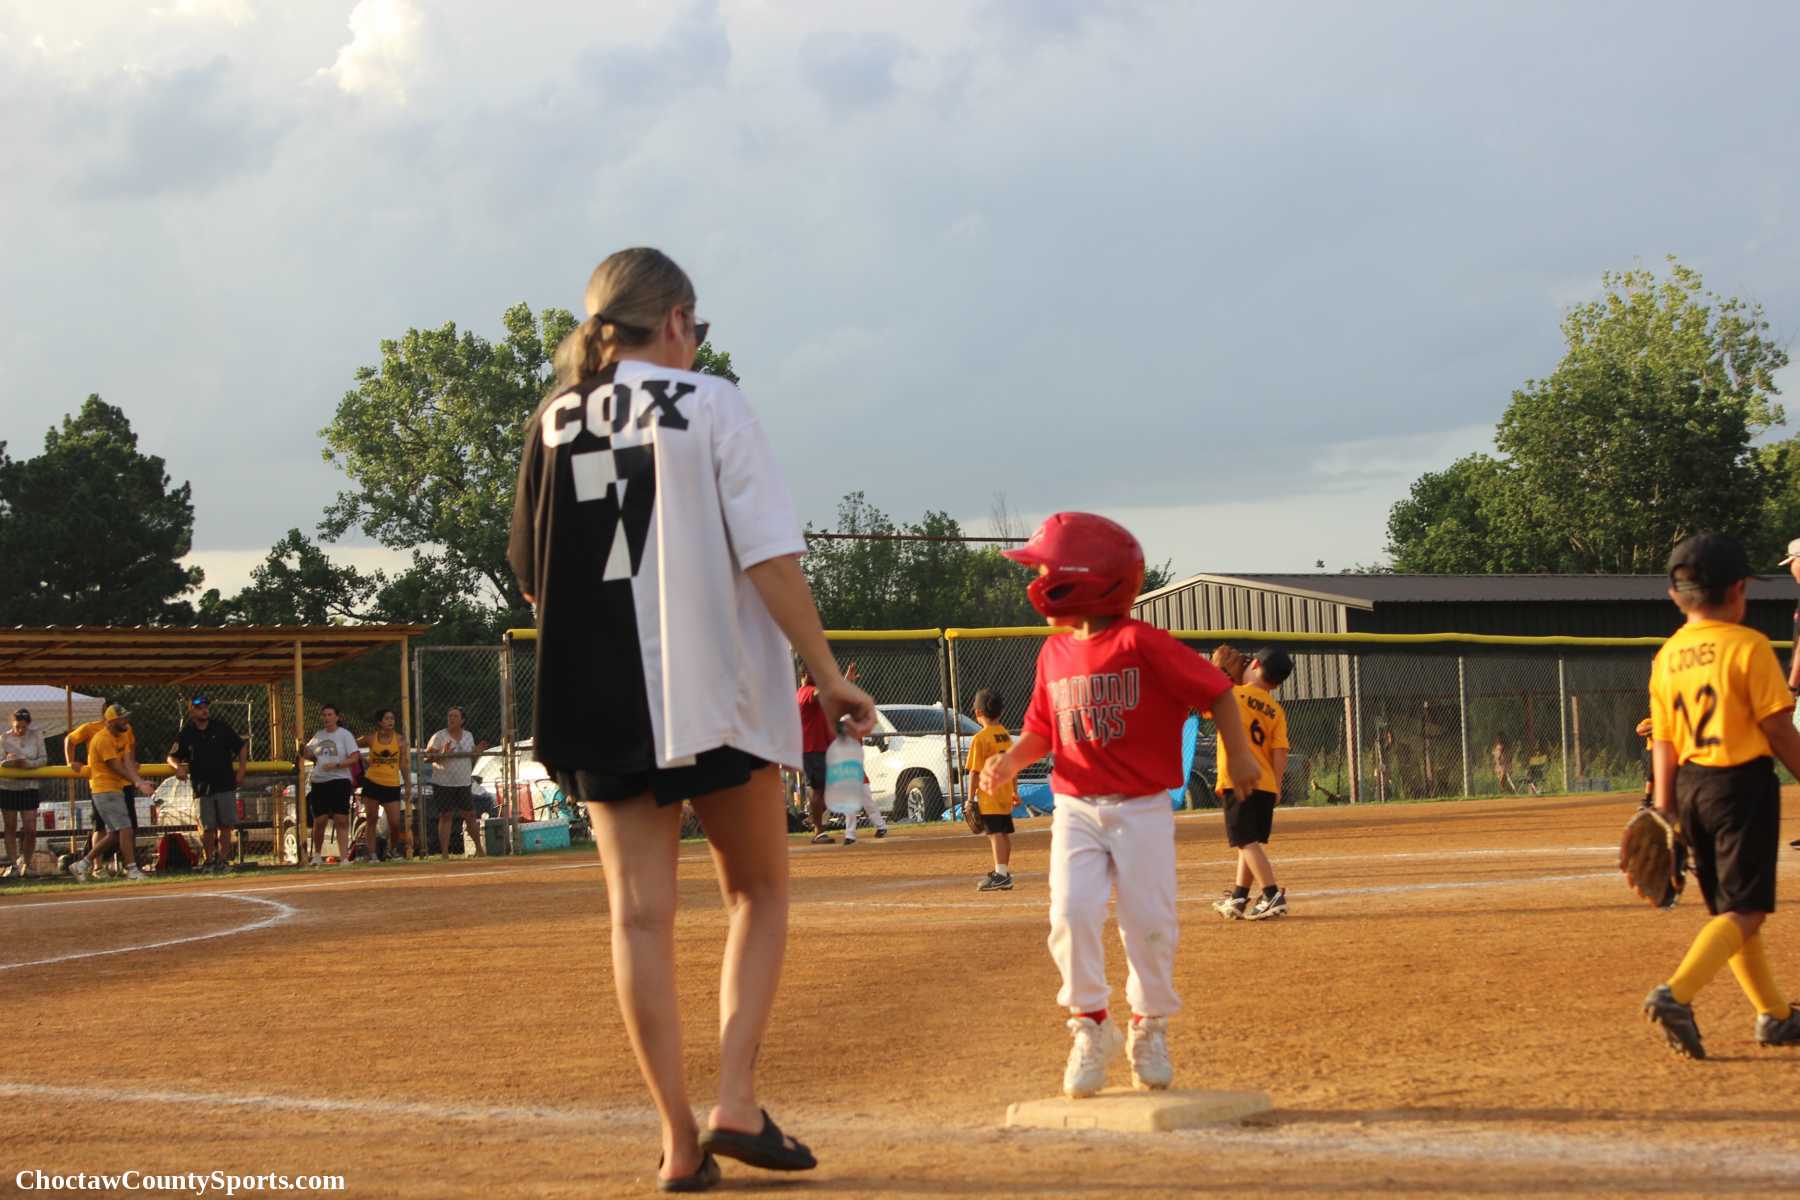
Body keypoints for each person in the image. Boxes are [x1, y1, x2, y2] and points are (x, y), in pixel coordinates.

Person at [507, 247, 876, 1189]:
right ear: (674, 320)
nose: (696, 342)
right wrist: (826, 674)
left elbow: (534, 578)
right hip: (715, 693)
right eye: (696, 327)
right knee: (757, 892)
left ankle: (678, 1144)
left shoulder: (551, 420)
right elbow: (769, 555)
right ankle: (736, 1101)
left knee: (638, 921)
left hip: (598, 701)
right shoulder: (712, 402)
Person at [978, 512, 1259, 1099]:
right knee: (1070, 913)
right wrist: (1010, 761)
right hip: (1075, 808)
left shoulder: (1141, 642)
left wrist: (1240, 755)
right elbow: (1042, 729)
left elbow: (1216, 691)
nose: (1040, 581)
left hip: (1140, 809)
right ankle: (1091, 1025)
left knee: (1148, 922)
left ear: (1087, 577)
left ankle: (1148, 1026)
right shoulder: (1054, 652)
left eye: (1048, 570)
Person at [1641, 532, 1800, 1056]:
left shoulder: (1667, 656)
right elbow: (1778, 729)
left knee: (1731, 911)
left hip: (1690, 789)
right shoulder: (1748, 646)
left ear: (1674, 595)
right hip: (1740, 787)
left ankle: (1775, 1016)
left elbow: (1664, 740)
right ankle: (1677, 993)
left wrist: (1664, 807)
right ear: (1738, 590)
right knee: (1746, 911)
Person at [1208, 647, 1294, 921]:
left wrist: (1217, 674)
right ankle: (1238, 897)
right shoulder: (1276, 710)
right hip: (1266, 785)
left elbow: (1206, 701)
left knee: (1244, 841)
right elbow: (1280, 751)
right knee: (1249, 841)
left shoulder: (1231, 695)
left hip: (1239, 781)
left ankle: (1271, 895)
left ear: (1255, 664)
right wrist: (1277, 785)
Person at [167, 694, 247, 875]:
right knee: (207, 827)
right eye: (199, 708)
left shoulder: (221, 727)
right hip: (202, 788)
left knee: (226, 825)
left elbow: (241, 746)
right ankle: (209, 860)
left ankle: (223, 860)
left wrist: (242, 769)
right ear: (192, 711)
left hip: (225, 784)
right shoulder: (187, 733)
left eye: (205, 707)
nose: (204, 710)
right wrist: (178, 767)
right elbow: (171, 756)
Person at [67, 705, 148, 882]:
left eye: (126, 717)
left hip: (115, 788)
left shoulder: (124, 734)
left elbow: (128, 762)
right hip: (104, 789)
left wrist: (139, 781)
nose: (126, 721)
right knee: (125, 828)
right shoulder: (102, 738)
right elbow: (115, 766)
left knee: (115, 834)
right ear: (111, 721)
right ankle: (132, 870)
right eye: (122, 718)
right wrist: (139, 783)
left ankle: (82, 864)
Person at [964, 689, 1018, 891]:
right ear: (1001, 712)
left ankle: (1001, 875)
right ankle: (1003, 872)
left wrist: (970, 799)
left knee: (995, 834)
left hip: (989, 795)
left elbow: (974, 772)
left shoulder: (980, 738)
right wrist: (1014, 791)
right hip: (1004, 792)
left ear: (978, 712)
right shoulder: (1005, 734)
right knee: (1003, 833)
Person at [426, 707, 490, 859]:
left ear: (462, 720)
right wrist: (442, 754)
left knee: (470, 815)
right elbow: (427, 758)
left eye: (455, 716)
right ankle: (445, 854)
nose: (451, 718)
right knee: (446, 816)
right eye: (449, 716)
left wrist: (476, 752)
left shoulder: (468, 735)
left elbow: (471, 757)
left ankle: (479, 850)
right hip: (443, 782)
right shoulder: (439, 736)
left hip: (463, 782)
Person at [300, 704, 359, 866]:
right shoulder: (319, 735)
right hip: (320, 781)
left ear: (337, 717)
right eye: (324, 715)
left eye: (330, 714)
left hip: (340, 780)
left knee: (341, 819)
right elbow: (308, 755)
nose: (327, 718)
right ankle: (317, 855)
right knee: (320, 820)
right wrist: (300, 743)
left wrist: (337, 765)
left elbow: (354, 757)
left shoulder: (345, 735)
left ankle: (344, 857)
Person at [357, 708, 411, 861]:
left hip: (391, 784)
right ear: (380, 722)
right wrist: (361, 758)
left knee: (394, 823)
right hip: (372, 782)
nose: (390, 721)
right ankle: (372, 854)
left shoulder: (400, 740)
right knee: (372, 819)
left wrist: (407, 784)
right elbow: (351, 744)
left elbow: (403, 764)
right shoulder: (371, 738)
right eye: (387, 718)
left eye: (392, 718)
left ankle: (392, 850)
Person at [1, 707, 47, 878]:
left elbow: (43, 759)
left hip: (29, 786)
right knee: (10, 826)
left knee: (30, 828)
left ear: (29, 724)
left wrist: (27, 764)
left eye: (23, 727)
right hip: (8, 787)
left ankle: (26, 864)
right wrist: (8, 761)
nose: (20, 730)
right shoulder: (4, 738)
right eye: (17, 727)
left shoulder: (36, 736)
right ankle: (13, 865)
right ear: (11, 724)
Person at [795, 669, 834, 844]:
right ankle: (818, 830)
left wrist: (844, 681)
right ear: (803, 676)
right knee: (817, 789)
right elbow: (821, 693)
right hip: (812, 749)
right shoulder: (806, 691)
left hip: (819, 748)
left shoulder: (811, 692)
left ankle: (817, 823)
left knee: (823, 789)